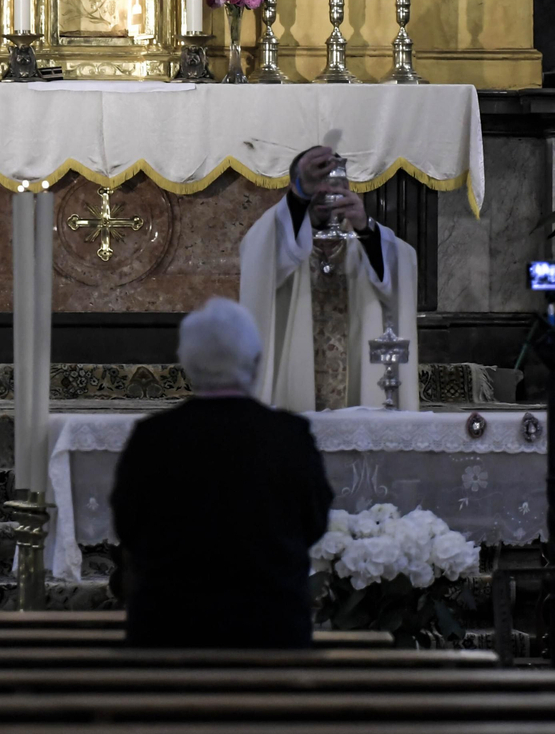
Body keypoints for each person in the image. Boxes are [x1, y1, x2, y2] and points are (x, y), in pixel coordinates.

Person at [111, 298, 333, 648]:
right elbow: (315, 521)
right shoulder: (289, 437)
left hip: (167, 634)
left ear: (187, 363)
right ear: (256, 363)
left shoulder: (152, 438)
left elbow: (128, 525)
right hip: (271, 634)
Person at [239, 143, 419, 413]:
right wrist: (300, 195)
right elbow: (257, 255)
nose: (325, 193)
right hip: (290, 400)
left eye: (335, 184)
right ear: (298, 188)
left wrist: (365, 229)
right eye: (316, 185)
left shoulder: (368, 239)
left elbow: (400, 267)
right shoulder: (278, 237)